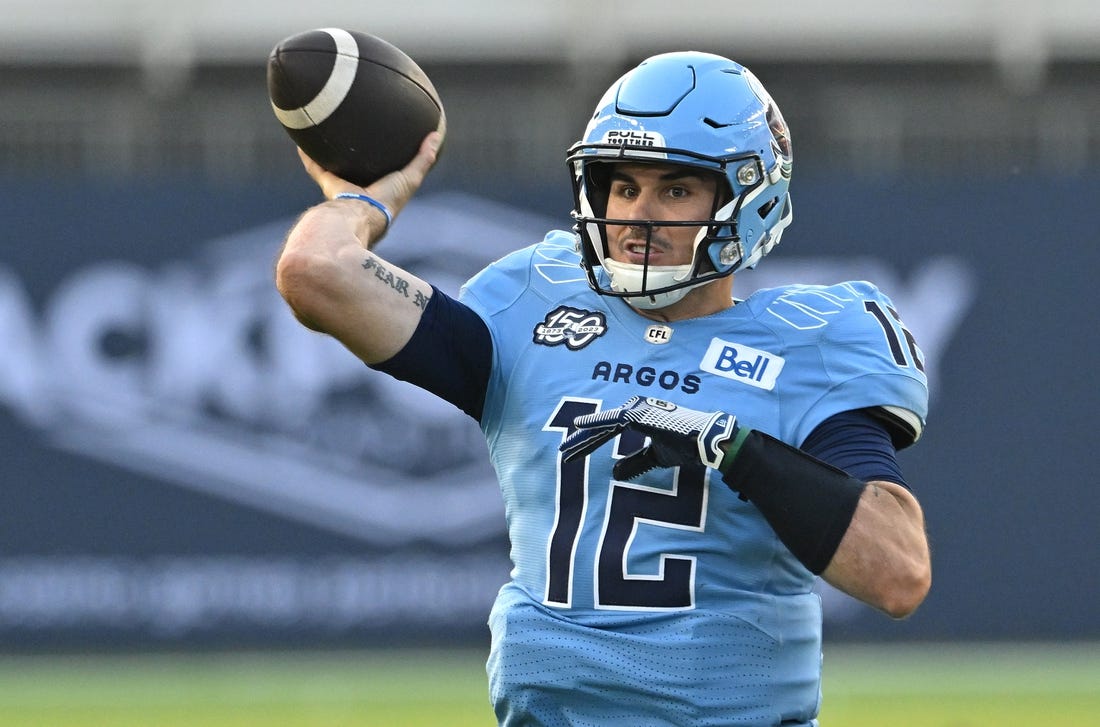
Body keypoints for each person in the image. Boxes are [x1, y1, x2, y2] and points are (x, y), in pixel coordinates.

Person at [276, 51, 931, 726]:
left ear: (748, 198)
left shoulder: (803, 343)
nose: (637, 216)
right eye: (622, 187)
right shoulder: (532, 307)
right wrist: (364, 198)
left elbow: (898, 573)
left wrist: (736, 449)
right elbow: (314, 270)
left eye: (675, 189)